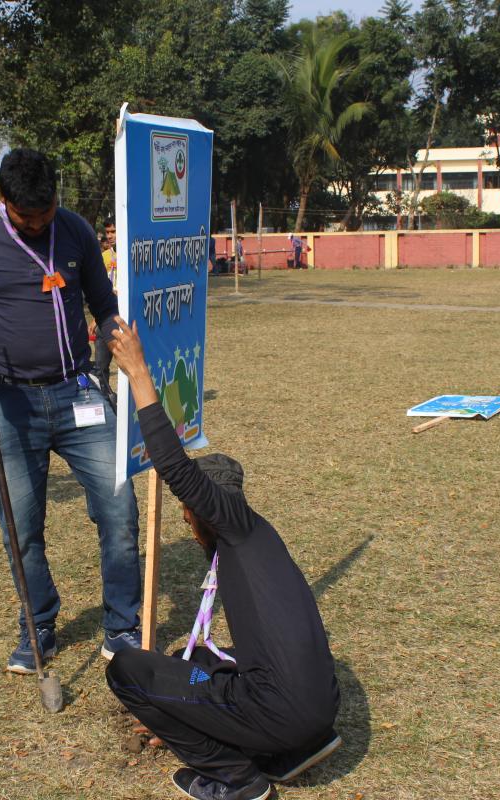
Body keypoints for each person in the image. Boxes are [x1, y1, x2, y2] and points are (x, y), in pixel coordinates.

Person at [104, 317, 342, 800]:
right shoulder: (258, 536)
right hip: (318, 709)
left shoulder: (233, 523)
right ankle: (291, 751)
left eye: (187, 516)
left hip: (281, 711)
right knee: (191, 662)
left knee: (128, 670)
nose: (187, 526)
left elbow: (175, 468)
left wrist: (139, 374)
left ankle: (237, 778)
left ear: (203, 511)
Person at [0, 148, 142, 673]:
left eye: (44, 213)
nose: (36, 225)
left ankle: (123, 625)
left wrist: (116, 339)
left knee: (120, 509)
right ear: (3, 200)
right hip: (10, 402)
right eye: (25, 217)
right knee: (22, 526)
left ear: (56, 197)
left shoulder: (75, 231)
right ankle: (39, 626)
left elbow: (103, 303)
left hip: (78, 393)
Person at [90, 216, 118, 399]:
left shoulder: (133, 253)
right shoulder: (104, 257)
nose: (110, 236)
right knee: (100, 366)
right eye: (107, 232)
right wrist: (95, 318)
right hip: (105, 317)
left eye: (113, 231)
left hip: (126, 317)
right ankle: (106, 399)